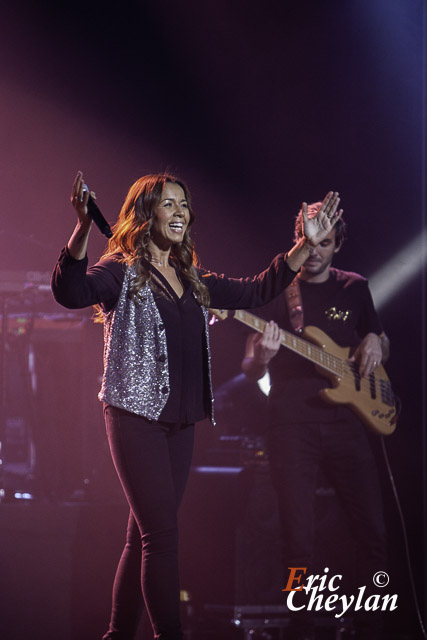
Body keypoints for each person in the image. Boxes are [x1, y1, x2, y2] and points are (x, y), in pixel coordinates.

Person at [51, 173, 341, 640]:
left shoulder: (192, 278)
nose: (181, 212)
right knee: (161, 538)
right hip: (134, 417)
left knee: (141, 536)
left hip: (180, 421)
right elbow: (70, 293)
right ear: (147, 215)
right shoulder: (120, 271)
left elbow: (256, 291)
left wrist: (304, 247)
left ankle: (117, 634)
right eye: (169, 204)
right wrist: (84, 226)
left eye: (184, 204)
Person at [242, 203, 389, 640]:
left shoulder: (355, 288)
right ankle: (300, 626)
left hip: (348, 420)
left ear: (338, 244)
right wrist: (260, 357)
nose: (317, 252)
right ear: (297, 237)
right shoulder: (276, 288)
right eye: (309, 242)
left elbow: (379, 337)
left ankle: (372, 625)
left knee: (373, 533)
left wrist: (377, 342)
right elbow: (250, 368)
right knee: (297, 539)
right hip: (291, 425)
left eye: (325, 243)